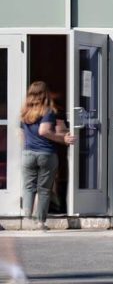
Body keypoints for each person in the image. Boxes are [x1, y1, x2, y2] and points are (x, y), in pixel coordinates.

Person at [20, 82, 75, 230]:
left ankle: (27, 219)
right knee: (44, 189)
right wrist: (62, 139)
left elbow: (22, 135)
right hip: (46, 153)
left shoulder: (25, 112)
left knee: (28, 186)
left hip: (28, 154)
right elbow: (44, 131)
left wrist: (27, 148)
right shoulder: (48, 111)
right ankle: (40, 223)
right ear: (46, 93)